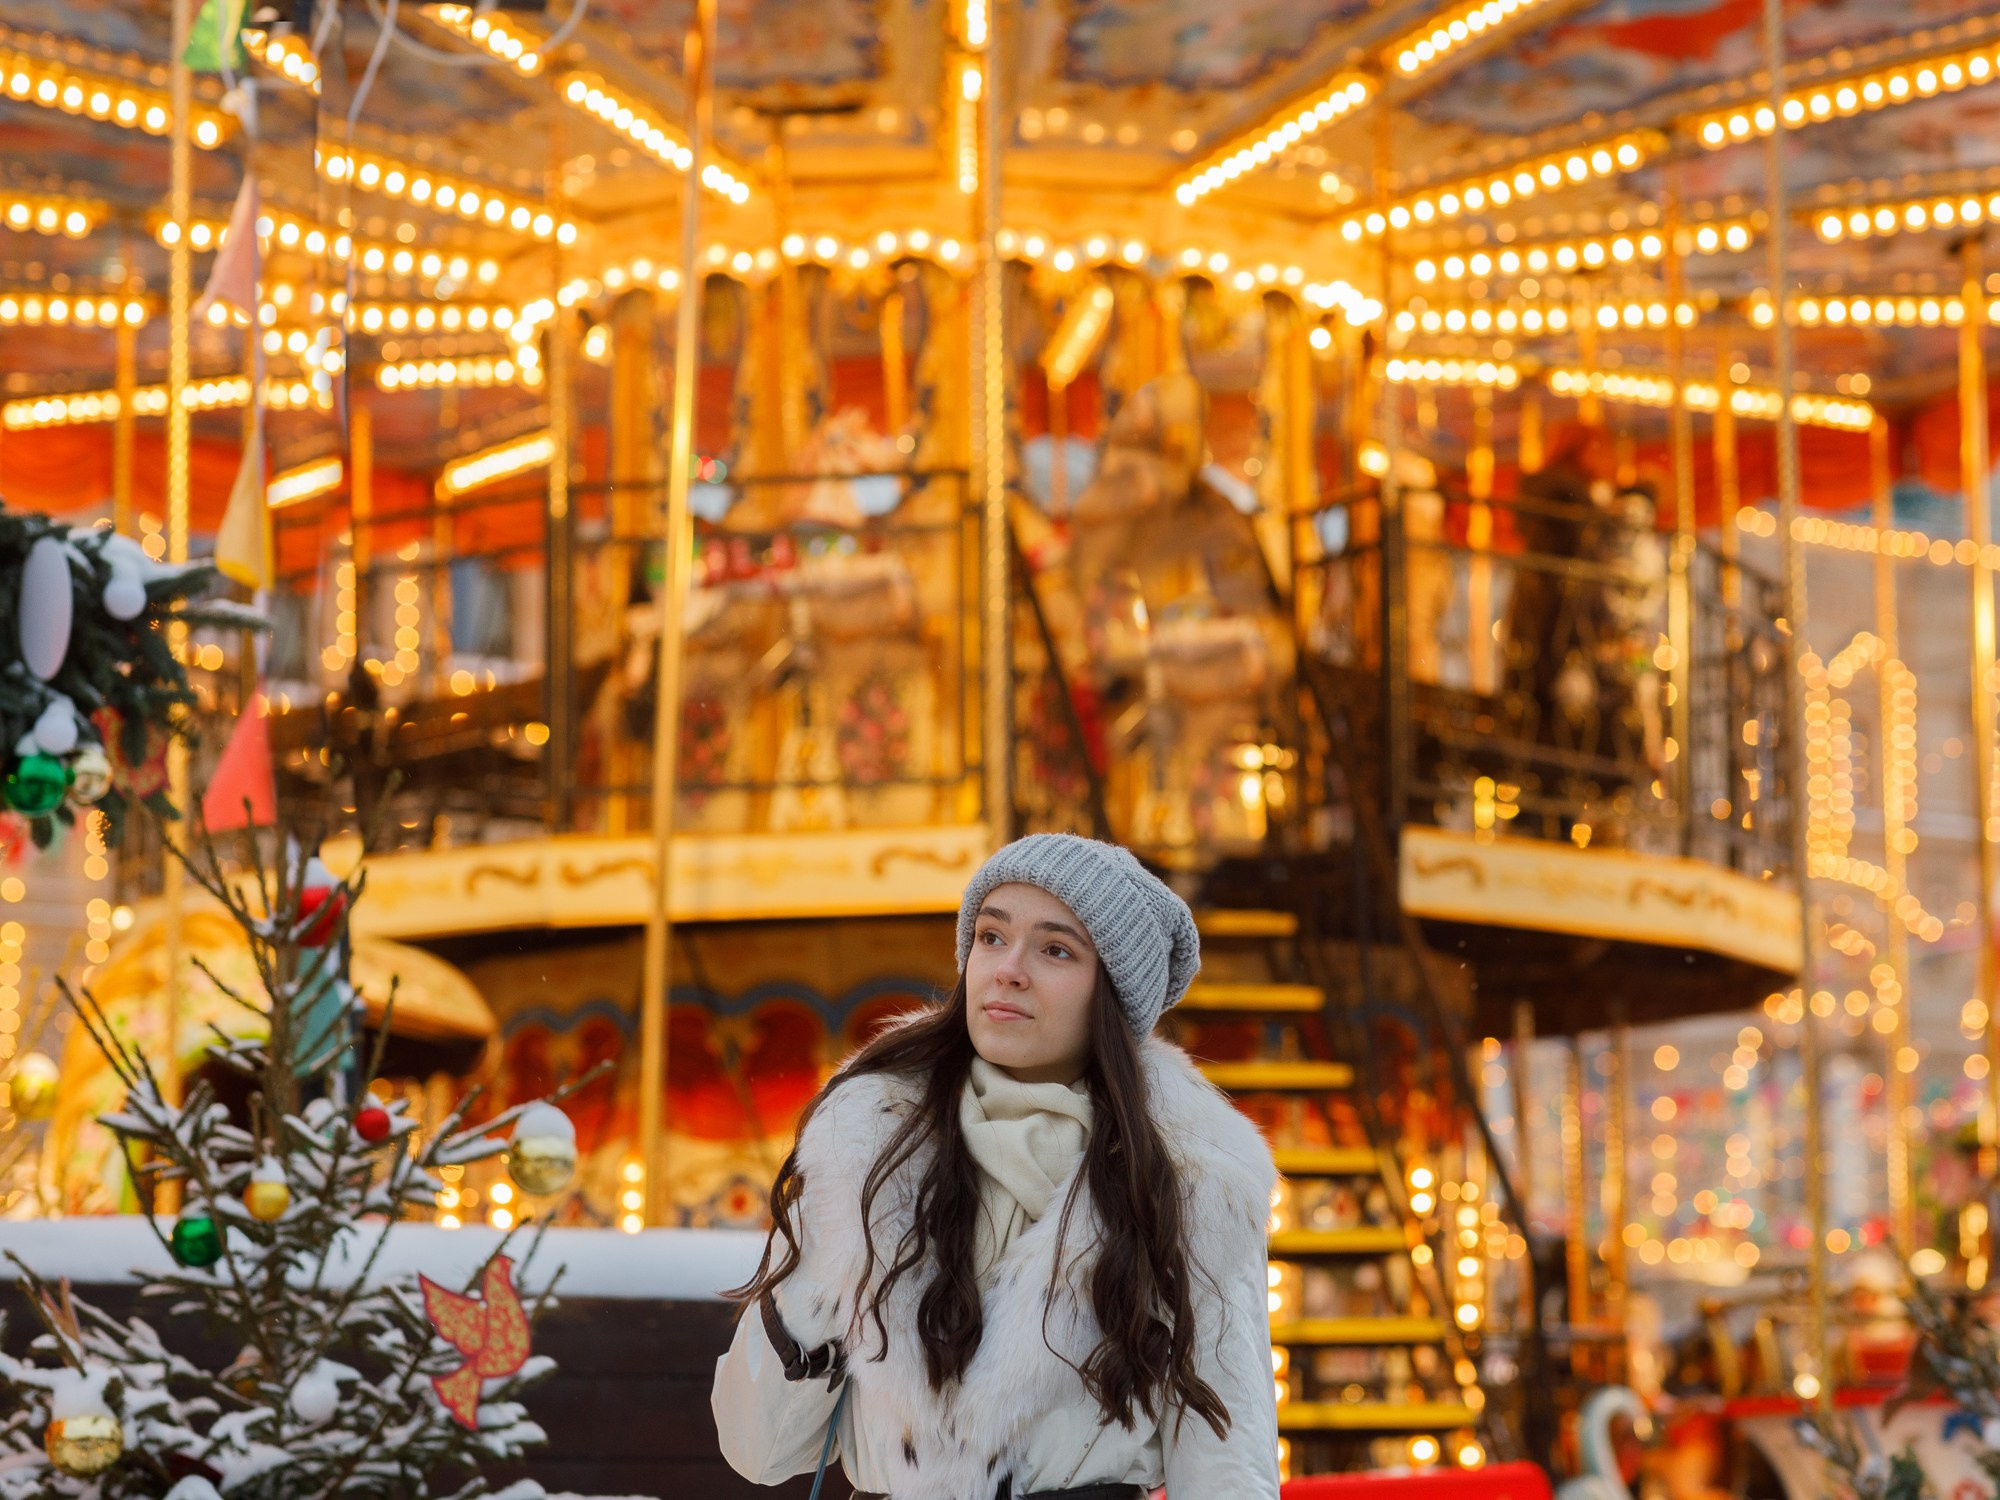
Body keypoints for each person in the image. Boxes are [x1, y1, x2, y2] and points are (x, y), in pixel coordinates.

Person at [712, 833, 1281, 1499]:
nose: (1008, 968)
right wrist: (834, 1248)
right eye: (990, 936)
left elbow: (1226, 1469)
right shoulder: (872, 1147)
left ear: (1111, 996)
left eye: (1055, 949)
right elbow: (758, 1450)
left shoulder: (1186, 1182)